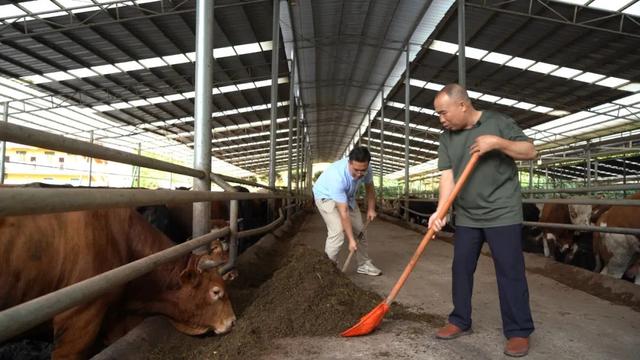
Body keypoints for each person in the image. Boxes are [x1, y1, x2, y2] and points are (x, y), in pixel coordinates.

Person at [428, 84, 536, 357]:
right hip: (467, 215)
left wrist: (497, 143)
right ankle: (459, 320)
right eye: (438, 114)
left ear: (462, 105)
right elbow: (447, 176)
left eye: (443, 113)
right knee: (460, 269)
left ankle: (518, 332)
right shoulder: (447, 138)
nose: (441, 119)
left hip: (502, 212)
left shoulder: (498, 122)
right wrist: (440, 212)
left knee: (509, 272)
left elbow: (529, 151)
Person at [312, 146, 382, 276]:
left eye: (363, 170)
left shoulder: (367, 169)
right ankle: (328, 268)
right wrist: (351, 240)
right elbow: (343, 212)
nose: (359, 174)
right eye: (356, 170)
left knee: (361, 230)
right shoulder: (337, 176)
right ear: (349, 162)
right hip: (326, 196)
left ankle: (364, 264)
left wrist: (371, 208)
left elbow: (370, 188)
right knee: (338, 231)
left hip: (347, 196)